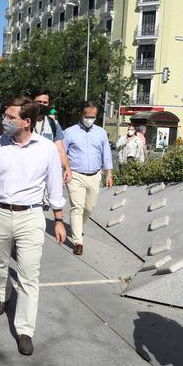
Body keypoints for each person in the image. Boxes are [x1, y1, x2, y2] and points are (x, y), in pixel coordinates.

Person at [0, 96, 67, 356]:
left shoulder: (46, 149)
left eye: (11, 117)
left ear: (27, 122)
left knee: (29, 275)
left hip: (31, 217)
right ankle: (2, 295)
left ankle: (25, 330)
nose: (5, 121)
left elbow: (55, 187)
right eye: (5, 116)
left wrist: (58, 220)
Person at [63, 101, 113, 255]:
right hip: (75, 175)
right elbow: (62, 153)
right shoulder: (69, 132)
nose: (89, 119)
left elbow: (106, 153)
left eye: (93, 117)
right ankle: (78, 241)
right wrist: (64, 171)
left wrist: (109, 173)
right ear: (81, 114)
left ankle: (77, 226)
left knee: (89, 208)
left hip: (94, 175)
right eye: (87, 116)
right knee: (77, 208)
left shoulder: (101, 133)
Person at [30, 89, 72, 183]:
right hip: (28, 172)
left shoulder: (53, 124)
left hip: (47, 174)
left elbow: (60, 149)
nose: (42, 104)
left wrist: (67, 167)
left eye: (45, 102)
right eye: (39, 102)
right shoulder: (24, 122)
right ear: (32, 102)